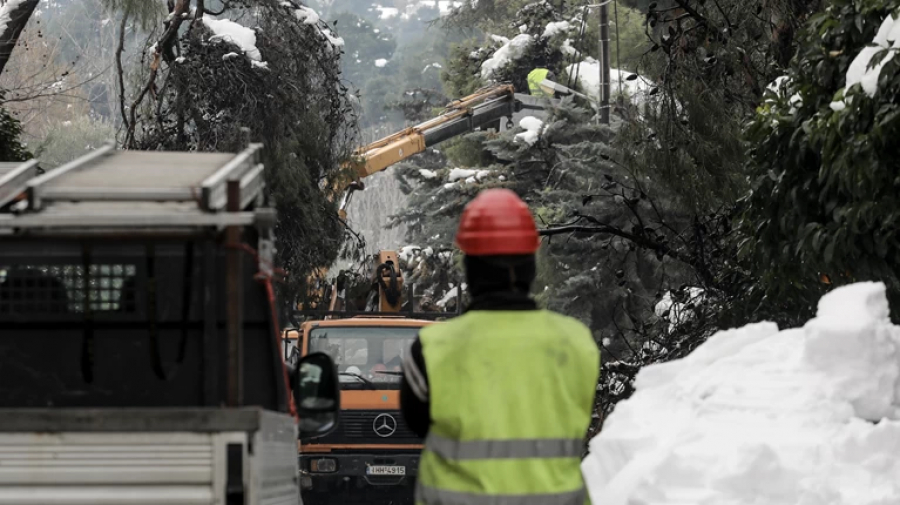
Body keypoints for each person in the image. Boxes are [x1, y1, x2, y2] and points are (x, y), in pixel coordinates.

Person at [400, 188, 600, 505]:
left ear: (470, 267)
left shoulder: (431, 349)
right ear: (530, 266)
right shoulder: (576, 344)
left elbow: (417, 424)